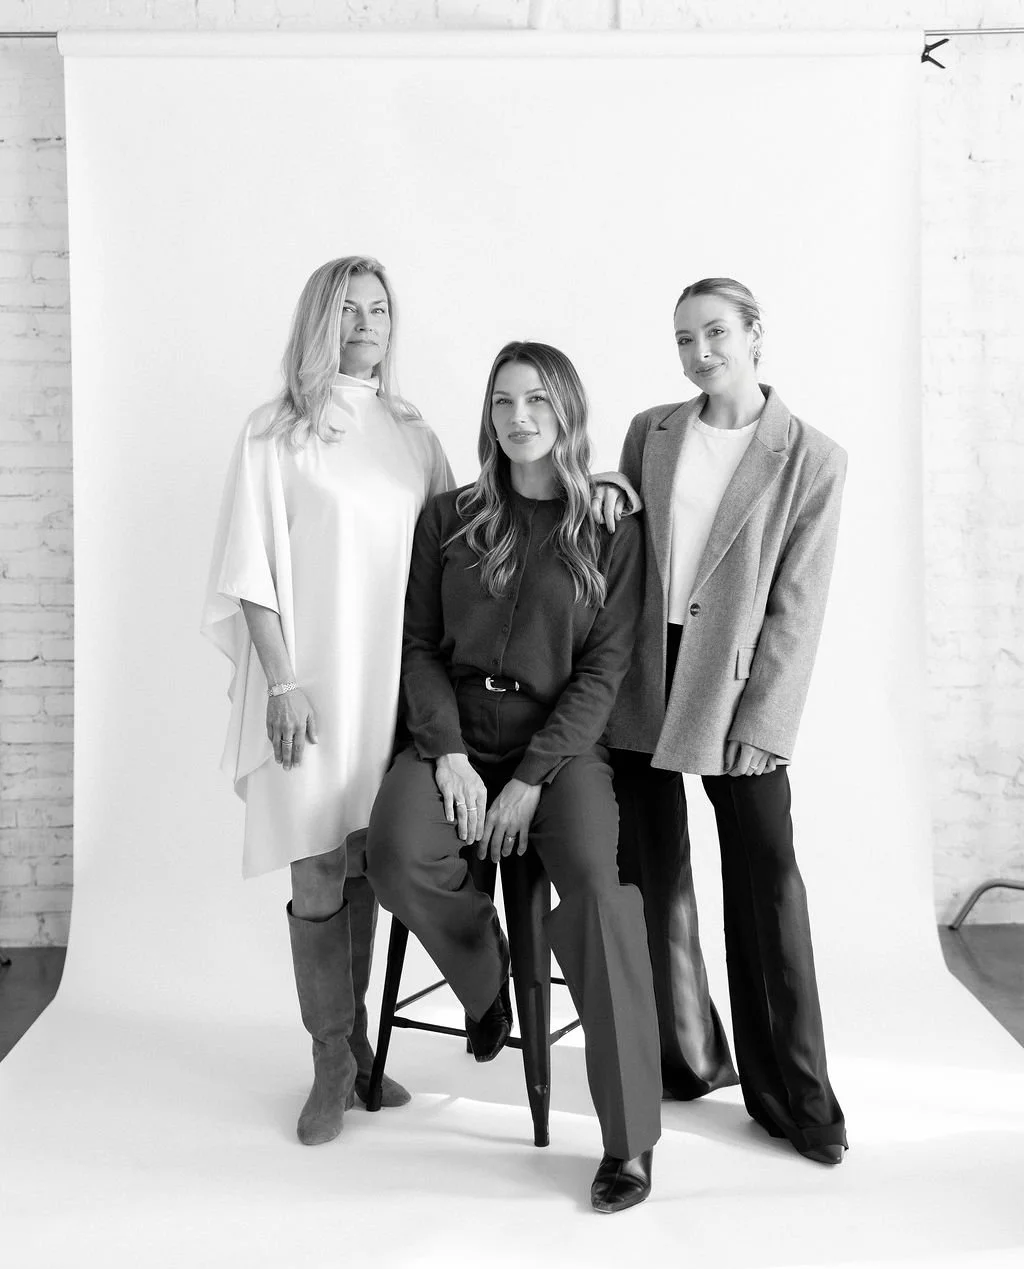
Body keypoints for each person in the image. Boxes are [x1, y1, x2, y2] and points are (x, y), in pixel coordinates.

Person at [366, 341, 662, 1213]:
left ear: (566, 410)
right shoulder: (450, 516)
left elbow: (604, 674)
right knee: (394, 850)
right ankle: (487, 978)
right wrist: (449, 751)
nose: (519, 418)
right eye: (503, 402)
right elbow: (419, 646)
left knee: (602, 901)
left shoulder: (609, 524)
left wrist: (531, 778)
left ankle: (629, 1144)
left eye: (537, 400)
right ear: (487, 415)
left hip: (561, 750)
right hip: (454, 731)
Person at [202, 256, 454, 1145]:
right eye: (348, 308)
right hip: (309, 686)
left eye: (380, 308)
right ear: (319, 319)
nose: (366, 322)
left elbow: (461, 555)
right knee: (316, 864)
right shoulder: (278, 430)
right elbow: (251, 568)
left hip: (394, 690)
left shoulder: (414, 435)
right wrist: (281, 681)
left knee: (368, 862)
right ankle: (328, 1065)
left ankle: (361, 1065)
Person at [606, 277, 848, 1165]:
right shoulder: (652, 432)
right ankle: (686, 1055)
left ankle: (797, 1098)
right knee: (651, 871)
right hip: (642, 671)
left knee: (767, 884)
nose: (699, 353)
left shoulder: (811, 458)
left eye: (715, 333)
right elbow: (624, 535)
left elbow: (798, 605)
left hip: (733, 685)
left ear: (755, 335)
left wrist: (769, 721)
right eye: (683, 340)